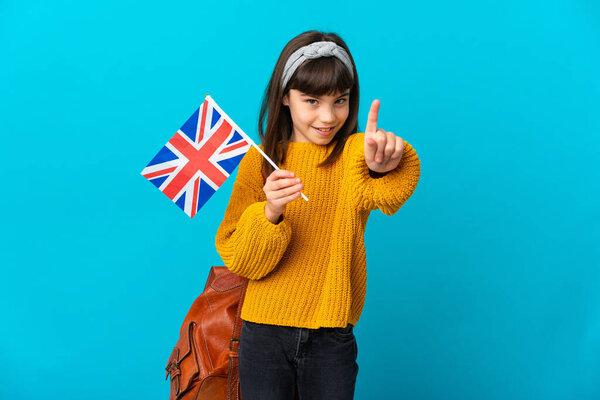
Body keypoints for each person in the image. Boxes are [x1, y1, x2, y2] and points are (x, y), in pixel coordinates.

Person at [215, 30, 421, 400]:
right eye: (312, 100)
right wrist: (270, 212)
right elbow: (242, 260)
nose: (328, 116)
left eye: (339, 100)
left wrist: (386, 162)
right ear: (285, 98)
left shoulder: (354, 155)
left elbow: (386, 191)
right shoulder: (257, 163)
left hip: (331, 335)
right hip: (262, 331)